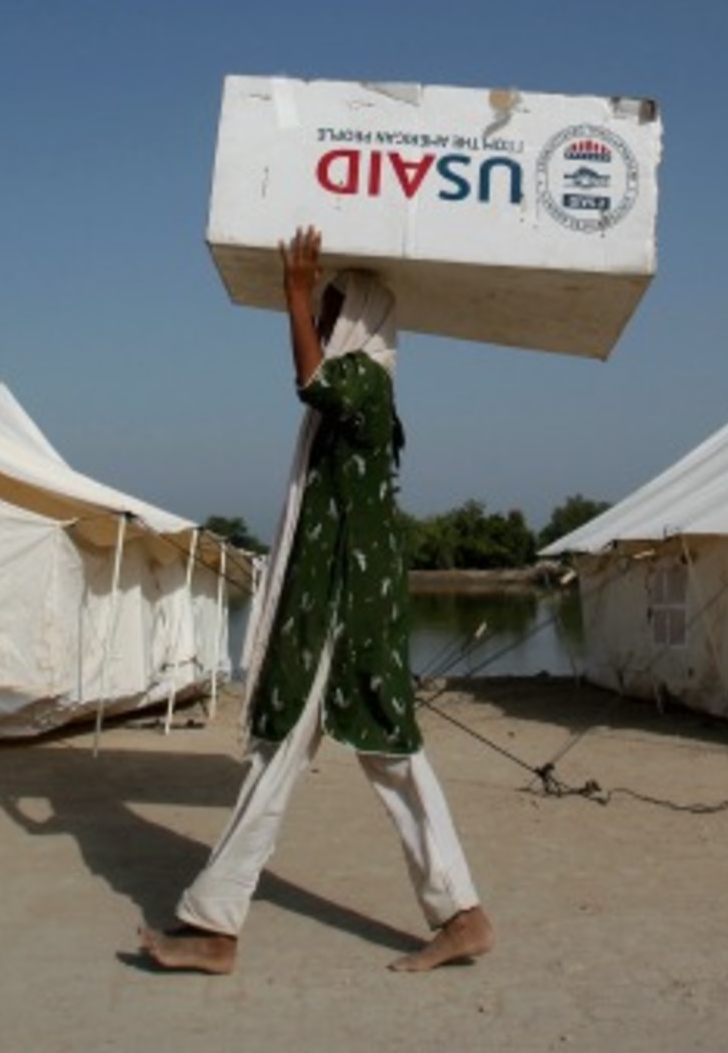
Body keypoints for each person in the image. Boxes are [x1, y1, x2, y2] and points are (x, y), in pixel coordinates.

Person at [139, 226, 493, 975]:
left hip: (341, 611)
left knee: (329, 757)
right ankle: (458, 915)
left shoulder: (364, 384)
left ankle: (218, 925)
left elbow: (312, 380)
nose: (323, 323)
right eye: (320, 312)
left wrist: (294, 293)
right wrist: (301, 298)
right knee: (375, 758)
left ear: (361, 319)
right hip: (340, 606)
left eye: (334, 311)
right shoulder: (357, 397)